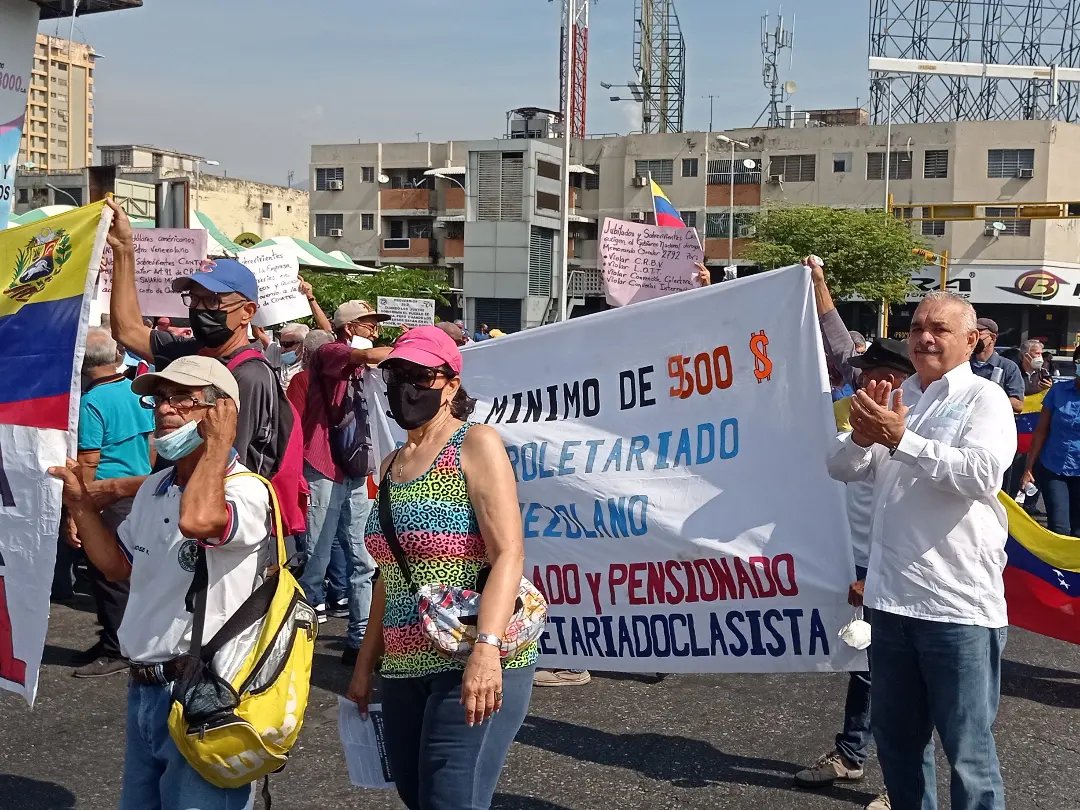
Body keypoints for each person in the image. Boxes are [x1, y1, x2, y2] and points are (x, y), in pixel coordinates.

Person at [49, 356, 273, 810]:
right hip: (147, 688)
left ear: (220, 411)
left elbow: (199, 521)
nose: (165, 410)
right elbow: (117, 567)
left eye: (183, 399)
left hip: (208, 694)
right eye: (160, 399)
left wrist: (219, 445)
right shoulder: (156, 486)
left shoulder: (247, 489)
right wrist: (81, 507)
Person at [827, 291, 1015, 810]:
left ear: (972, 341)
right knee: (899, 748)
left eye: (940, 329)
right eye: (917, 328)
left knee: (969, 754)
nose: (925, 338)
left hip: (956, 608)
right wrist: (864, 437)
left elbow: (980, 475)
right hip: (891, 604)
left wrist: (900, 438)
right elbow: (839, 467)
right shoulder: (900, 393)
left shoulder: (984, 399)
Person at [346, 325, 536, 810]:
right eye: (395, 375)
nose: (404, 387)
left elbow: (508, 553)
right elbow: (389, 576)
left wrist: (487, 651)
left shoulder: (476, 444)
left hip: (473, 654)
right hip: (404, 661)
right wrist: (366, 665)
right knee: (413, 792)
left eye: (418, 376)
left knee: (450, 799)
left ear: (451, 383)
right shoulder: (390, 464)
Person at [796, 338, 915, 810]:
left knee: (901, 675)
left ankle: (900, 784)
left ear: (899, 379)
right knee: (865, 665)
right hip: (860, 559)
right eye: (863, 374)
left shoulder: (916, 423)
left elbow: (912, 511)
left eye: (874, 374)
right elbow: (839, 469)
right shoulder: (859, 419)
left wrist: (880, 571)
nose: (863, 381)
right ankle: (851, 754)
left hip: (897, 566)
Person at [106, 199, 287, 478]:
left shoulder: (250, 376)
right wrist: (123, 249)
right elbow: (127, 329)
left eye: (213, 301)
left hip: (217, 511)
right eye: (194, 299)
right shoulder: (190, 357)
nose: (200, 310)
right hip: (174, 500)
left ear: (246, 312)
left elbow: (222, 467)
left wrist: (119, 489)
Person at [300, 300, 391, 660]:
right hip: (324, 464)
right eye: (368, 325)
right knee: (316, 559)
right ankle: (297, 642)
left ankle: (358, 641)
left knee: (364, 557)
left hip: (355, 466)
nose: (375, 332)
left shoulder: (352, 357)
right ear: (350, 329)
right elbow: (357, 353)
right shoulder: (329, 353)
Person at [70, 328, 155, 679]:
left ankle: (116, 648)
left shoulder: (92, 402)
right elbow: (152, 441)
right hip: (136, 490)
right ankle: (115, 638)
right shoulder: (137, 389)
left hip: (106, 495)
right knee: (125, 572)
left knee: (108, 573)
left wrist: (79, 511)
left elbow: (89, 461)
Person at [1022, 372, 1080, 537]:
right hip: (1053, 468)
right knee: (1059, 529)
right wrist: (1029, 468)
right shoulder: (1058, 391)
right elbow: (1041, 432)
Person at [969, 317, 1024, 413]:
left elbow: (1018, 405)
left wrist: (990, 396)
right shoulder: (964, 364)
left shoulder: (1008, 367)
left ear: (993, 338)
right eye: (972, 334)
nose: (975, 338)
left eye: (979, 334)